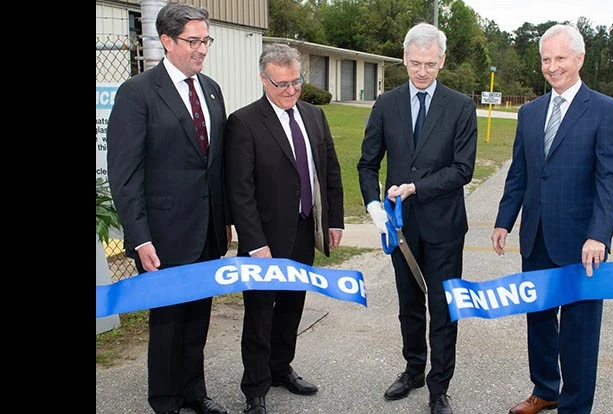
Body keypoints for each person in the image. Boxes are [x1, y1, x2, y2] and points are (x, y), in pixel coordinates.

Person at [490, 24, 613, 414]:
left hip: (583, 245)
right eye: (546, 59)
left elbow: (611, 183)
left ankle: (575, 406)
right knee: (539, 324)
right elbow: (520, 173)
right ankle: (545, 390)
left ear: (579, 58)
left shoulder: (606, 110)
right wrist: (504, 220)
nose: (551, 67)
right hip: (535, 239)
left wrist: (598, 235)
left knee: (579, 334)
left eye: (560, 58)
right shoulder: (531, 112)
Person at [106, 3, 231, 414]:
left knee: (198, 318)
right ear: (166, 42)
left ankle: (194, 391)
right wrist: (138, 237)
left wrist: (225, 219)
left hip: (207, 229)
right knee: (168, 323)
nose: (201, 49)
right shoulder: (138, 93)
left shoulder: (211, 89)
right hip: (161, 235)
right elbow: (124, 174)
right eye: (193, 41)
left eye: (205, 40)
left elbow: (215, 163)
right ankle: (165, 400)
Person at [357, 22, 477, 414]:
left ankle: (438, 386)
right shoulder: (386, 104)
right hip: (401, 228)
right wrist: (374, 205)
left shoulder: (460, 106)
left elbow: (463, 169)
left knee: (443, 307)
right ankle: (412, 369)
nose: (422, 72)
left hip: (444, 226)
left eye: (429, 64)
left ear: (442, 60)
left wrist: (415, 188)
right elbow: (367, 163)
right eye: (414, 64)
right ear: (404, 59)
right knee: (409, 304)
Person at [223, 43, 345, 414]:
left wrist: (334, 220)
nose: (291, 91)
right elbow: (239, 190)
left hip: (304, 229)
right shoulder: (243, 123)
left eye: (296, 82)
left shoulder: (313, 116)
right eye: (282, 85)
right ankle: (255, 388)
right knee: (260, 313)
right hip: (264, 239)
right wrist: (255, 243)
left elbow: (330, 170)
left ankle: (281, 369)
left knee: (292, 306)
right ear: (263, 80)